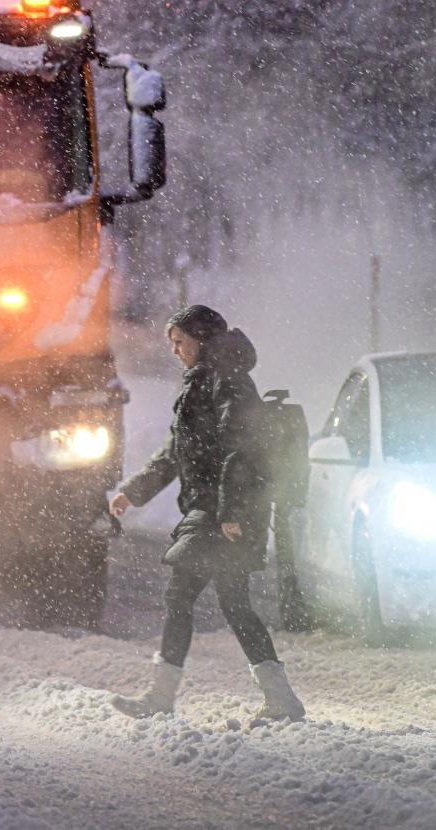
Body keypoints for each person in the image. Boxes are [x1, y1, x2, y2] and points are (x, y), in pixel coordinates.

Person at [107, 305, 306, 723]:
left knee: (185, 595)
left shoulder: (228, 381)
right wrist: (133, 492)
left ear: (201, 338)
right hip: (215, 510)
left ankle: (162, 697)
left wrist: (232, 510)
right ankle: (280, 700)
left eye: (180, 341)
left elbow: (243, 448)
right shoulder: (204, 382)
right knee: (232, 602)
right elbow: (178, 451)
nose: (175, 350)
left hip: (226, 512)